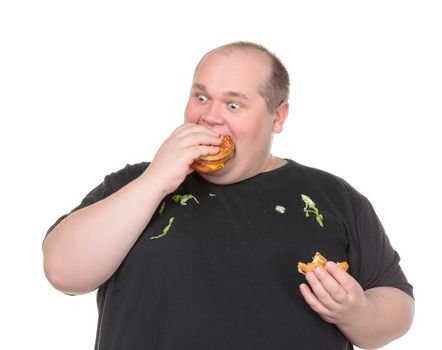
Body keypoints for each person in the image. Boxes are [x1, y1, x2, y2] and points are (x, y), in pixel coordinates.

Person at [43, 41, 414, 350]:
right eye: (201, 97)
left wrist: (357, 312)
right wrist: (155, 180)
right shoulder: (135, 183)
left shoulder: (332, 197)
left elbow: (398, 306)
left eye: (233, 104)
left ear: (277, 117)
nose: (210, 117)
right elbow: (64, 272)